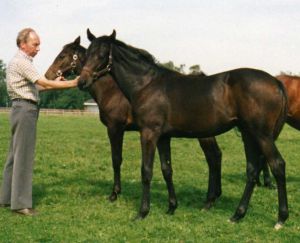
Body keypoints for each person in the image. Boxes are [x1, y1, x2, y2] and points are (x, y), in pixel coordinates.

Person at [0, 28, 79, 216]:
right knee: (24, 157)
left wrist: (54, 84)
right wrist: (72, 83)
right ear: (23, 44)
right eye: (35, 44)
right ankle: (20, 205)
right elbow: (45, 82)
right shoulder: (22, 61)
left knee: (14, 156)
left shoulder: (18, 62)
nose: (38, 48)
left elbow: (35, 87)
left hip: (20, 108)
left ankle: (5, 198)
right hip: (25, 110)